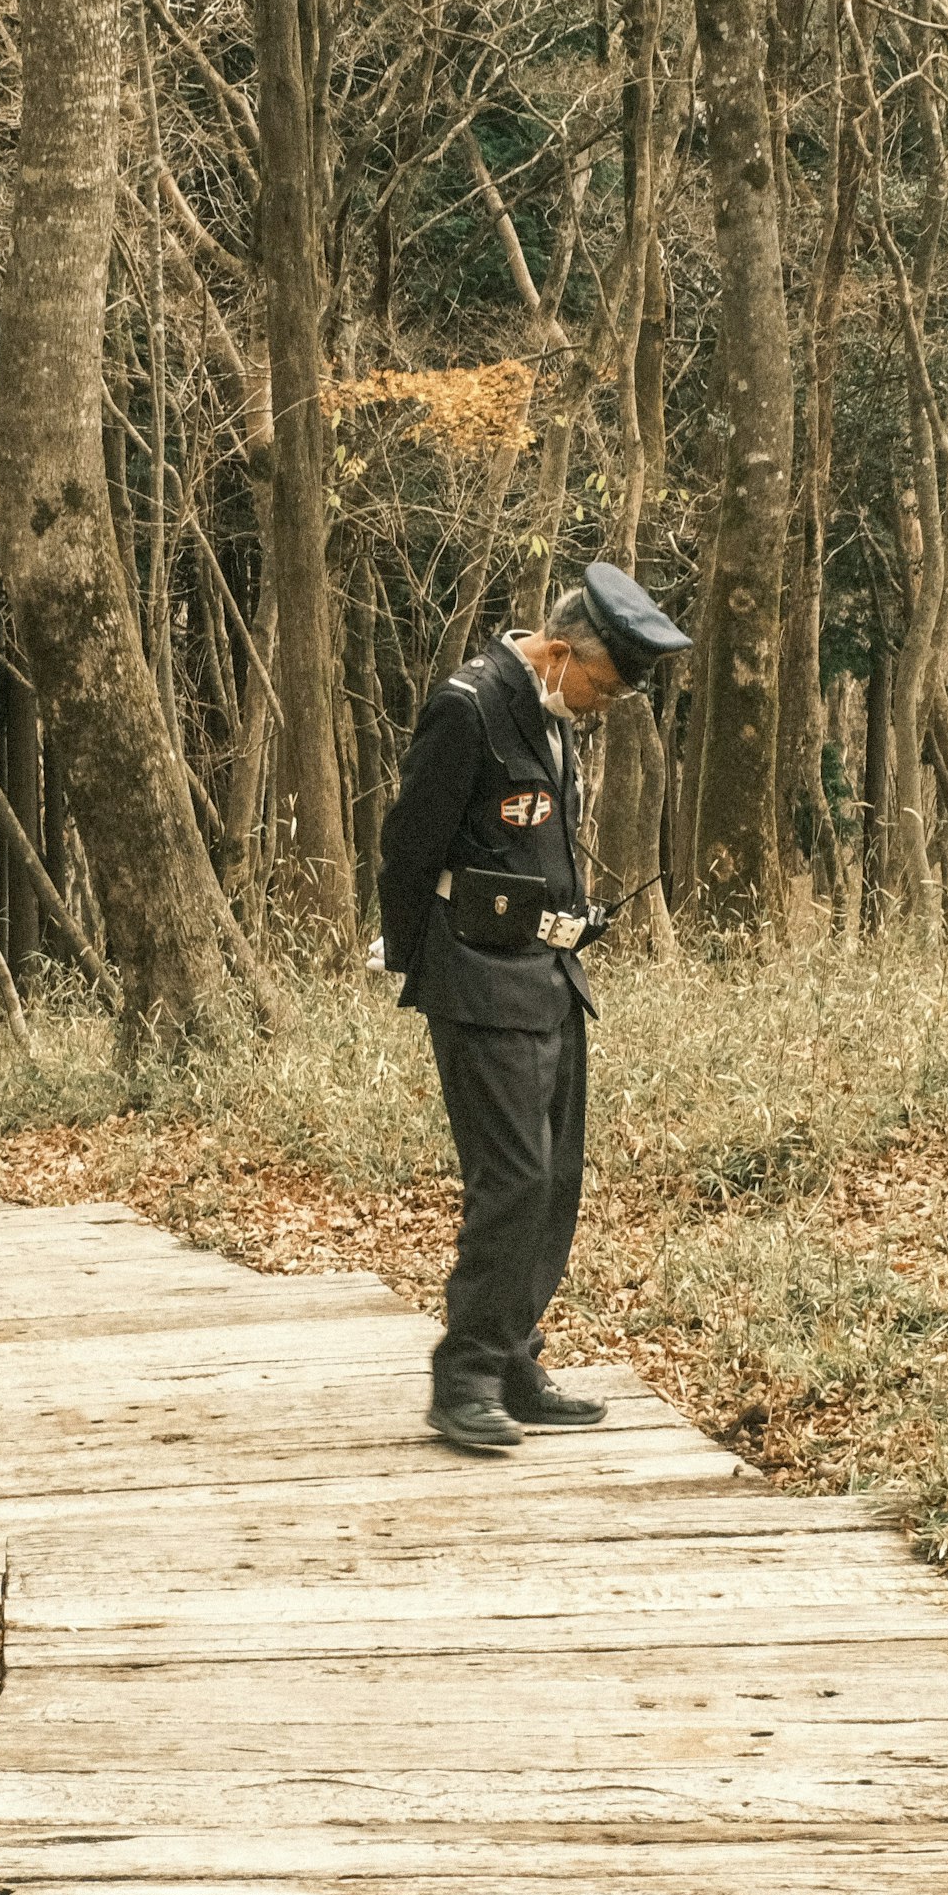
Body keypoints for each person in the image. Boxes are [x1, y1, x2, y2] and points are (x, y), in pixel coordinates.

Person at [375, 564, 691, 1452]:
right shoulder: (468, 710)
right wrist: (418, 966)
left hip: (551, 978)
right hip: (477, 980)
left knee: (552, 1184)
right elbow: (406, 851)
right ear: (558, 652)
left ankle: (514, 1357)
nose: (605, 703)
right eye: (603, 684)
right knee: (510, 1180)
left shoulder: (554, 719)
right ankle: (465, 1374)